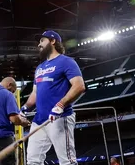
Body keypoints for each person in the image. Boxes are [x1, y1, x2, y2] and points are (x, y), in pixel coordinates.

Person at [20, 30, 86, 165]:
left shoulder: (66, 61)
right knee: (33, 160)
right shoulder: (40, 67)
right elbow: (35, 92)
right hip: (39, 120)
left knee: (67, 161)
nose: (39, 44)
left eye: (42, 40)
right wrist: (25, 108)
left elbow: (79, 86)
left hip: (59, 118)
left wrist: (60, 105)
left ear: (53, 41)